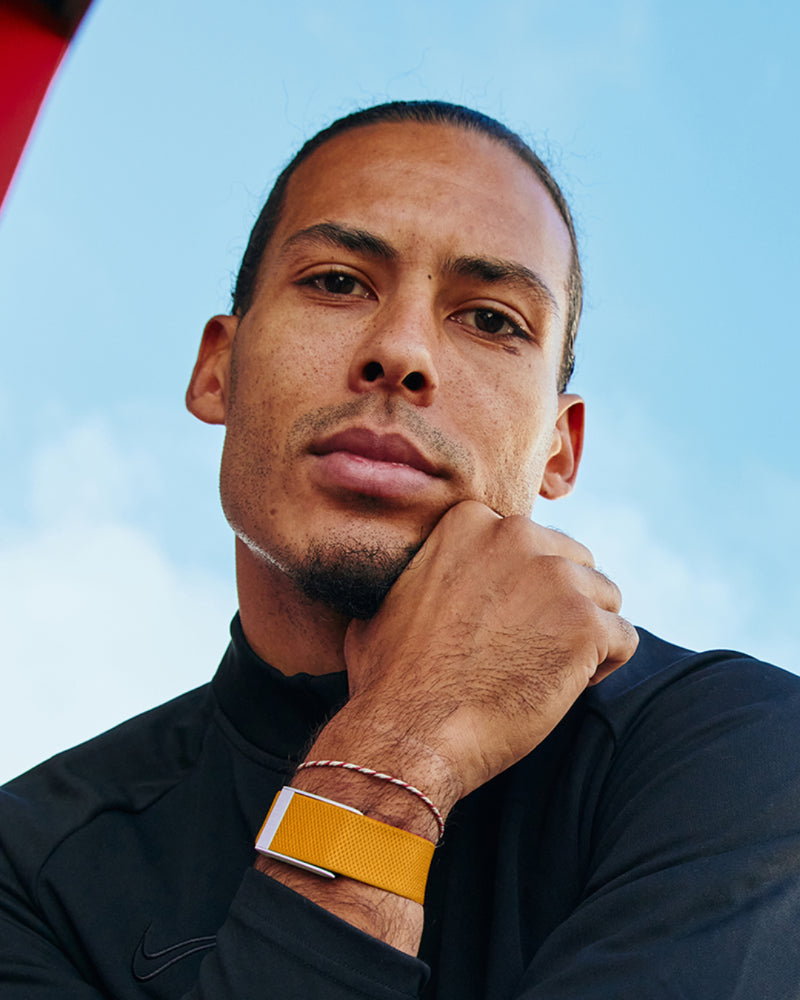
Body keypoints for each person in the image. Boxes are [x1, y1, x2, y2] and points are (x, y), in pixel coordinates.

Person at [2, 100, 800, 999]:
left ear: (559, 450)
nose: (402, 351)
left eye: (491, 319)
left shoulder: (744, 755)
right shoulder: (27, 873)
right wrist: (397, 753)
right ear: (217, 367)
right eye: (338, 282)